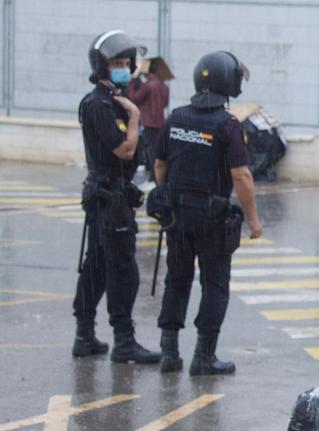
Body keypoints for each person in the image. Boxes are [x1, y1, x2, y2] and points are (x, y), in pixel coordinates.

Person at [152, 50, 263, 375]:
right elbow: (241, 176)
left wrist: (171, 194)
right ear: (227, 82)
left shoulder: (177, 118)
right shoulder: (228, 126)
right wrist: (253, 219)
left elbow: (160, 165)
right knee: (214, 284)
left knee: (177, 280)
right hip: (212, 220)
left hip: (177, 218)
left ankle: (169, 354)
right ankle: (203, 356)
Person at [71, 30, 160, 365]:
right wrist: (136, 117)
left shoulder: (113, 101)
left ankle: (85, 335)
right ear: (101, 66)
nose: (123, 68)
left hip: (111, 195)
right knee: (121, 269)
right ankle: (123, 341)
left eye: (126, 62)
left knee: (96, 264)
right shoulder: (99, 105)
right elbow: (124, 150)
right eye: (116, 63)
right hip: (109, 198)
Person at [127, 59, 169, 184]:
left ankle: (153, 180)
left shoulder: (148, 85)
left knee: (151, 153)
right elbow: (165, 103)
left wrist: (133, 79)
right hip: (161, 122)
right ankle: (154, 179)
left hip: (150, 123)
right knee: (158, 152)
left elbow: (134, 98)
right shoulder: (163, 85)